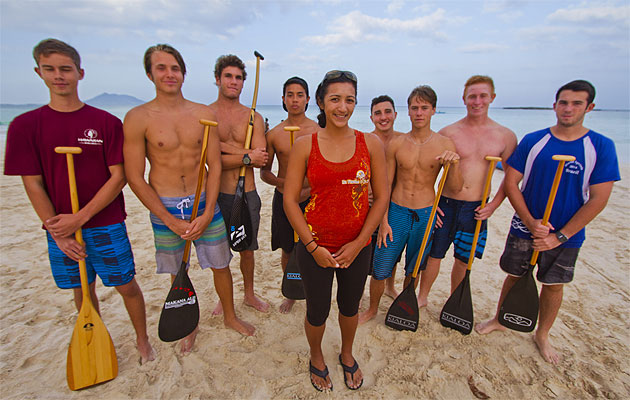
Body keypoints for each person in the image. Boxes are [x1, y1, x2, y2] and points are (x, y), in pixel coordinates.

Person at [3, 38, 155, 362]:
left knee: (126, 284)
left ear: (79, 73)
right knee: (82, 289)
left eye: (65, 69)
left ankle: (143, 340)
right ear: (38, 72)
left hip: (105, 223)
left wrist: (80, 217)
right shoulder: (24, 126)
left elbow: (119, 177)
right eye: (50, 69)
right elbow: (32, 183)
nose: (59, 76)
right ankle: (95, 339)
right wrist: (57, 229)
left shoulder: (106, 123)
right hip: (60, 229)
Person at [475, 80, 620, 364]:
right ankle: (500, 318)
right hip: (523, 228)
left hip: (567, 235)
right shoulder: (534, 141)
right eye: (563, 102)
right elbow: (512, 182)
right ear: (554, 106)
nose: (568, 109)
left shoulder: (600, 146)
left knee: (553, 285)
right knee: (514, 275)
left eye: (577, 103)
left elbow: (598, 199)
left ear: (589, 107)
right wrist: (529, 222)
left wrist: (560, 236)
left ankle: (542, 334)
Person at [123, 44, 255, 354]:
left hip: (202, 202)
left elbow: (214, 166)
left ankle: (230, 316)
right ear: (149, 73)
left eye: (175, 68)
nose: (169, 74)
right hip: (165, 205)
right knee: (176, 270)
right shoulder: (137, 117)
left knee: (221, 264)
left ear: (184, 73)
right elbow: (135, 176)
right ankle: (188, 323)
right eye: (161, 68)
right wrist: (168, 218)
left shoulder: (202, 114)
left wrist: (209, 211)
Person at [284, 70, 388, 391]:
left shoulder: (369, 143)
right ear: (321, 102)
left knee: (349, 306)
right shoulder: (305, 145)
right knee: (316, 310)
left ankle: (346, 353)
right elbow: (289, 200)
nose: (342, 107)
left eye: (349, 100)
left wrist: (359, 243)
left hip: (356, 247)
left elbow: (382, 197)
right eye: (335, 99)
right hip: (316, 246)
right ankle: (316, 356)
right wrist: (313, 247)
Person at [359, 86, 462, 323]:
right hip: (396, 210)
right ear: (407, 111)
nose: (419, 112)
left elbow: (454, 188)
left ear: (433, 110)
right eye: (414, 108)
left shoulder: (444, 144)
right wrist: (383, 221)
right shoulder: (397, 144)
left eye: (424, 107)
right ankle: (372, 309)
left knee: (414, 268)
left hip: (425, 213)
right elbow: (385, 186)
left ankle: (404, 304)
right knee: (381, 266)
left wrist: (454, 165)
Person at [418, 75, 517, 307]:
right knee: (434, 254)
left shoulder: (506, 136)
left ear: (492, 98)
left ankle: (454, 300)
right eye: (472, 96)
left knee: (463, 259)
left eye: (483, 96)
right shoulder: (448, 133)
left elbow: (511, 179)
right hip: (446, 203)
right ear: (464, 99)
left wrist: (493, 206)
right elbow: (429, 173)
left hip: (477, 206)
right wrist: (432, 203)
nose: (477, 101)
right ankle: (422, 297)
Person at [208, 54, 270, 314]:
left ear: (244, 82)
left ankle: (248, 294)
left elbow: (260, 158)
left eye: (238, 77)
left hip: (247, 193)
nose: (234, 82)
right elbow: (211, 160)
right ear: (217, 79)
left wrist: (223, 152)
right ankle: (225, 298)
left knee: (247, 249)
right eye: (228, 76)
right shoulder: (206, 114)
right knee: (220, 252)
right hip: (217, 193)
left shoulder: (253, 116)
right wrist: (244, 155)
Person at [260, 76, 319, 313]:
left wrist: (308, 187)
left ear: (307, 99)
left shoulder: (318, 131)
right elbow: (265, 173)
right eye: (290, 95)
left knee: (313, 246)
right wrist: (285, 183)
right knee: (287, 248)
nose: (295, 100)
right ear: (283, 99)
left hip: (313, 200)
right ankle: (292, 291)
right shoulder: (274, 134)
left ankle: (312, 290)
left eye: (300, 95)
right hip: (285, 199)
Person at [366, 95, 403, 299]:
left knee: (391, 249)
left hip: (395, 204)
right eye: (378, 113)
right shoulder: (365, 140)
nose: (383, 117)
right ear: (371, 117)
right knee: (367, 251)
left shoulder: (403, 140)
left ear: (395, 114)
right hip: (369, 204)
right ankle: (363, 291)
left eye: (387, 112)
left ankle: (389, 286)